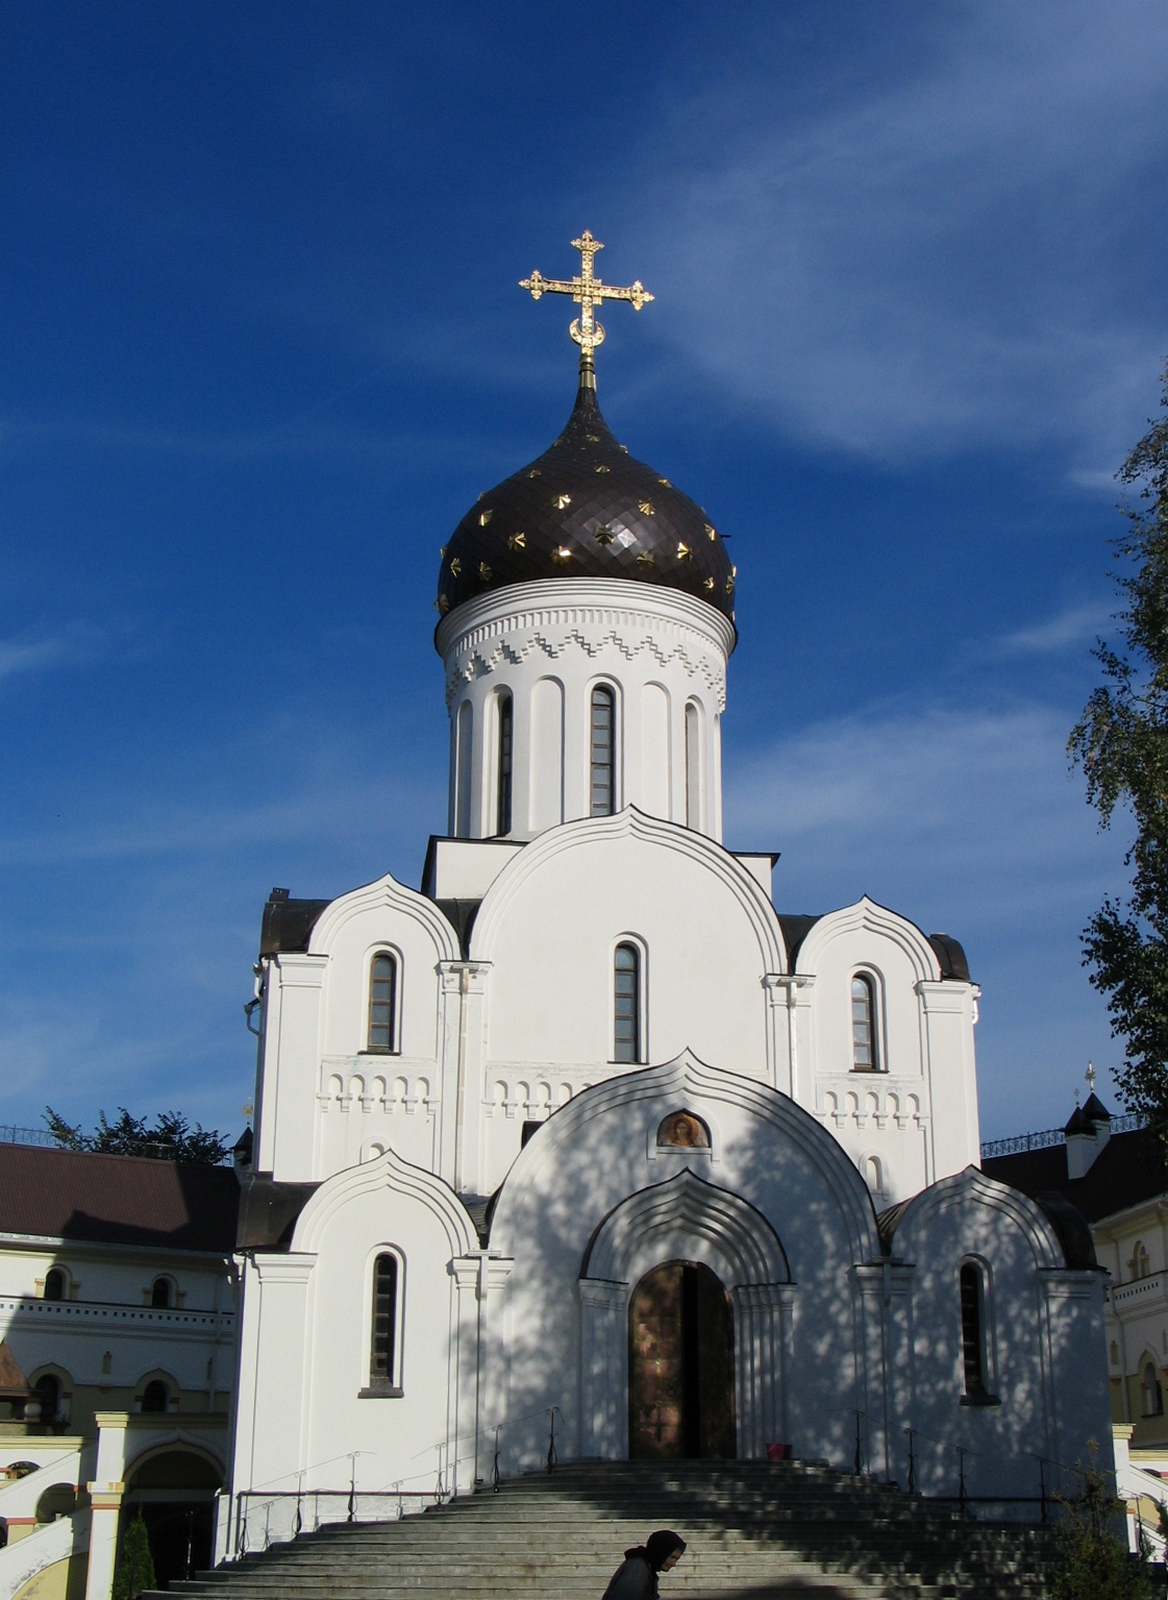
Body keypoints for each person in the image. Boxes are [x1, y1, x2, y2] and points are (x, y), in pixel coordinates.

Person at [601, 1530, 687, 1600]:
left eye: (676, 1559)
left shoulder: (646, 1569)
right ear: (661, 1552)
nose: (673, 1563)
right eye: (672, 1557)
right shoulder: (638, 1569)